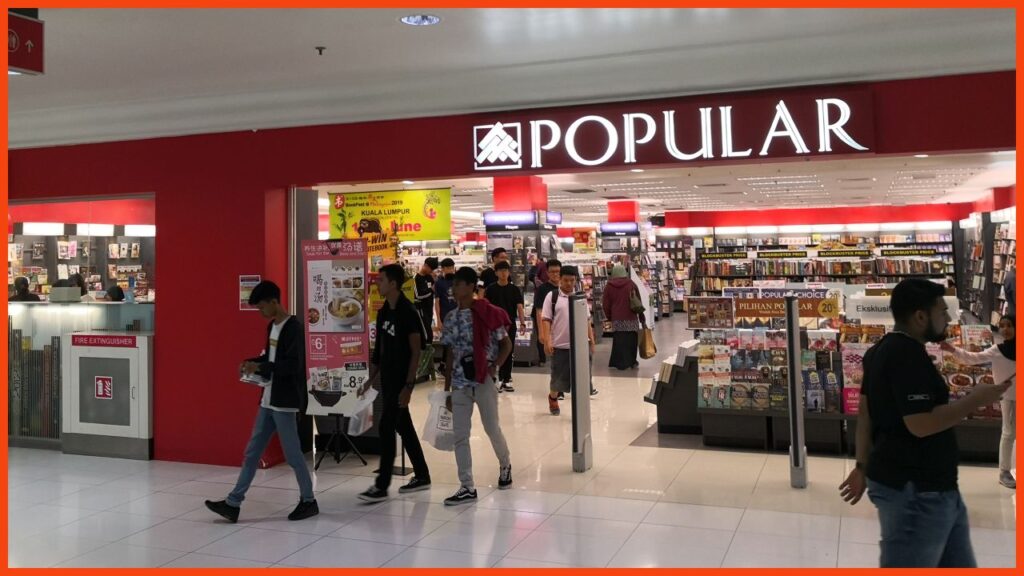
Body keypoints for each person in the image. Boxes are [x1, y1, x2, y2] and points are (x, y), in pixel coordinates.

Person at [838, 278, 1011, 568]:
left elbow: (866, 414)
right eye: (942, 312)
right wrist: (975, 399)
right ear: (920, 317)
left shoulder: (878, 350)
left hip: (933, 489)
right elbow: (920, 423)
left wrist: (861, 466)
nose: (948, 318)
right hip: (915, 493)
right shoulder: (907, 356)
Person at [206, 281, 318, 523]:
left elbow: (293, 366)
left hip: (285, 401)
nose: (260, 312)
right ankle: (233, 503)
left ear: (274, 302)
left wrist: (263, 365)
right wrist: (252, 362)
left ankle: (308, 500)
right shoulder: (272, 327)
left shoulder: (294, 328)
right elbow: (269, 357)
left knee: (293, 456)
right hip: (268, 398)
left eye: (261, 307)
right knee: (252, 452)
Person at [358, 264, 431, 502]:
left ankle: (381, 485)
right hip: (387, 380)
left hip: (401, 381)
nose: (377, 283)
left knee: (386, 427)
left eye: (381, 280)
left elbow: (415, 351)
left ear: (393, 284)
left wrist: (409, 386)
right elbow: (380, 351)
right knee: (404, 427)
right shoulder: (383, 312)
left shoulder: (407, 312)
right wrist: (370, 379)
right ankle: (422, 475)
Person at [440, 266, 513, 505]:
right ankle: (467, 486)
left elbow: (506, 345)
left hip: (483, 381)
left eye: (459, 284)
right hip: (460, 383)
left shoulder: (487, 312)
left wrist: (495, 368)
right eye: (453, 285)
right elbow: (450, 353)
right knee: (460, 435)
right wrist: (447, 389)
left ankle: (505, 464)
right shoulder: (450, 318)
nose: (454, 289)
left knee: (492, 428)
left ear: (471, 287)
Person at [940, 314, 1016, 489]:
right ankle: (1004, 471)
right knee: (1008, 433)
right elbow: (972, 358)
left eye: (1010, 325)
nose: (1005, 329)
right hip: (1009, 398)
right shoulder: (997, 350)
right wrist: (952, 349)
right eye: (1002, 326)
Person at [541, 265, 597, 416]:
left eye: (572, 280)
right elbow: (546, 320)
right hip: (560, 345)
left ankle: (580, 409)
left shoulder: (580, 297)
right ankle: (553, 398)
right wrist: (547, 340)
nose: (569, 284)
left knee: (583, 379)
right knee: (558, 378)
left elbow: (586, 320)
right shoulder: (552, 297)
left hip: (581, 345)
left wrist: (591, 340)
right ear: (560, 279)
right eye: (565, 280)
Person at [485, 260, 526, 392]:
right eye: (501, 271)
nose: (503, 273)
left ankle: (506, 379)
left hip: (510, 325)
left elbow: (519, 306)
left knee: (508, 351)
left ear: (509, 273)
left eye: (505, 271)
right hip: (493, 326)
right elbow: (486, 307)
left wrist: (522, 322)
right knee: (494, 352)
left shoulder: (514, 289)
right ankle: (494, 379)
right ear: (496, 273)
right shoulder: (490, 289)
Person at [603, 264, 642, 370]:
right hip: (631, 317)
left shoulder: (609, 286)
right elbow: (638, 301)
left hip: (617, 318)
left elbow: (605, 304)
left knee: (619, 341)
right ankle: (632, 361)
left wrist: (610, 317)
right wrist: (642, 317)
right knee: (631, 340)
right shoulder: (631, 284)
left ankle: (620, 362)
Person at [532, 259, 561, 367]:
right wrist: (541, 332)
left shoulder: (564, 287)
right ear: (547, 273)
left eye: (558, 271)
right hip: (547, 322)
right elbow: (539, 311)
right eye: (552, 272)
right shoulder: (542, 289)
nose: (555, 274)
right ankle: (543, 360)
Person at [414, 257, 439, 343]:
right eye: (431, 269)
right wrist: (431, 290)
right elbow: (418, 296)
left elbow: (435, 290)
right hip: (420, 310)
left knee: (428, 332)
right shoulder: (416, 278)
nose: (431, 271)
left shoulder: (430, 277)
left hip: (429, 309)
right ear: (425, 265)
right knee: (427, 335)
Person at [434, 258, 457, 334]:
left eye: (452, 268)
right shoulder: (439, 283)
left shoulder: (458, 281)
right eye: (448, 268)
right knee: (446, 340)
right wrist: (438, 320)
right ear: (443, 269)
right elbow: (437, 302)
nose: (451, 270)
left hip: (458, 316)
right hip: (445, 316)